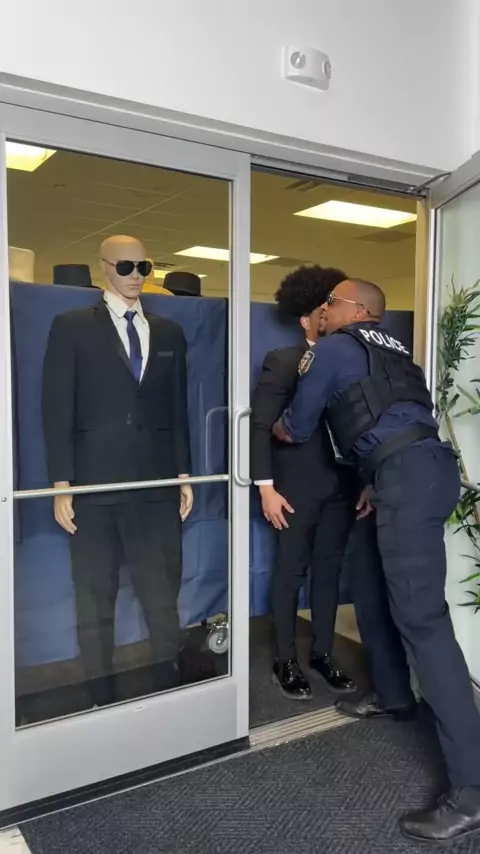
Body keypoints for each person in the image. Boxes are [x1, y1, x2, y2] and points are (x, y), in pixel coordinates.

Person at [273, 277, 480, 843]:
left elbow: (298, 426)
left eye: (329, 303)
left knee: (424, 624)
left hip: (406, 479)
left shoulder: (334, 349)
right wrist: (377, 478)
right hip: (415, 471)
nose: (322, 310)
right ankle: (392, 694)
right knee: (367, 578)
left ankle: (471, 791)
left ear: (355, 310)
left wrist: (272, 424)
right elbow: (399, 422)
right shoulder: (395, 353)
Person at [42, 235, 193, 707]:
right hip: (95, 485)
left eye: (143, 266)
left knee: (161, 594)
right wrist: (62, 483)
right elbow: (57, 407)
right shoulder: (71, 327)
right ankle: (99, 693)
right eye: (125, 266)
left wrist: (183, 473)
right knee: (95, 596)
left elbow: (178, 409)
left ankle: (169, 684)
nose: (135, 275)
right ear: (104, 267)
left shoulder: (169, 333)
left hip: (155, 485)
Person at [251, 266, 357, 699]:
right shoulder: (284, 361)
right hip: (293, 488)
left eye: (332, 308)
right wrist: (265, 487)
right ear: (305, 319)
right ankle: (286, 660)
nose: (328, 316)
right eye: (321, 310)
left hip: (342, 487)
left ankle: (323, 654)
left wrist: (367, 482)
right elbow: (259, 425)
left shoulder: (353, 359)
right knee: (290, 571)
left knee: (329, 571)